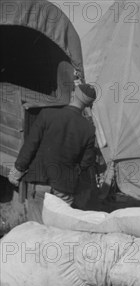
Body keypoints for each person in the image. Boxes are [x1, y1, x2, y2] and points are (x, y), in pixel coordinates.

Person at [8, 83, 97, 220]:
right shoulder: (89, 129)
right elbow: (86, 163)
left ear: (73, 94)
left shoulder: (47, 114)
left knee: (37, 229)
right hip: (64, 186)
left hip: (39, 181)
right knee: (57, 230)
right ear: (88, 105)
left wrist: (17, 171)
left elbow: (30, 146)